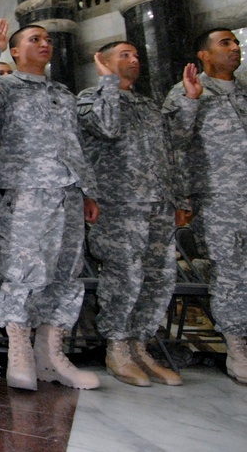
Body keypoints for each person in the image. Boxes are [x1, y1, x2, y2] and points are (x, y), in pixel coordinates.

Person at [0, 23, 110, 391]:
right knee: (23, 272)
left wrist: (88, 191)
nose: (45, 43)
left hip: (69, 192)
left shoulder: (62, 94)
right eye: (35, 39)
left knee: (66, 273)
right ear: (16, 51)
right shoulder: (5, 87)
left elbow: (76, 145)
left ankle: (50, 355)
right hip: (28, 190)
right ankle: (19, 354)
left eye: (48, 39)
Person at [79, 41, 185, 388]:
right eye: (124, 55)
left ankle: (141, 346)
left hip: (157, 203)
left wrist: (176, 199)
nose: (134, 59)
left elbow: (169, 153)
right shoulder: (90, 99)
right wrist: (108, 83)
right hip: (119, 204)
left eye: (136, 55)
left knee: (159, 277)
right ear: (103, 61)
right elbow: (106, 127)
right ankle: (118, 348)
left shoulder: (148, 106)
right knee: (124, 276)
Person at [163, 29, 247, 385]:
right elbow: (172, 143)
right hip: (218, 199)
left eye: (236, 42)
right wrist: (191, 101)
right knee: (231, 274)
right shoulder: (188, 91)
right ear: (204, 55)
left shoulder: (243, 92)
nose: (234, 48)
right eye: (225, 43)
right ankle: (238, 348)